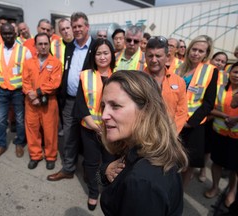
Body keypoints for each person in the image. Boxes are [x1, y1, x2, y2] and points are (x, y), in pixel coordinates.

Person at [99, 70, 188, 215]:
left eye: (115, 106)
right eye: (104, 106)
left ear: (146, 109)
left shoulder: (142, 182)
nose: (103, 116)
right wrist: (105, 171)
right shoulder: (143, 149)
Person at [47, 12, 96, 181]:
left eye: (79, 26)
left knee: (89, 139)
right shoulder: (69, 47)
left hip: (89, 103)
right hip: (69, 101)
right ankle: (68, 168)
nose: (76, 30)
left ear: (87, 27)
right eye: (73, 27)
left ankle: (90, 175)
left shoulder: (96, 47)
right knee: (69, 136)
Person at [73, 39, 116, 210]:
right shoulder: (85, 75)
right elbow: (80, 103)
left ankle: (106, 189)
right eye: (98, 53)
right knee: (91, 163)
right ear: (93, 55)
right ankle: (93, 192)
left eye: (106, 53)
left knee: (109, 163)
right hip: (90, 129)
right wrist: (93, 124)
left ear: (112, 54)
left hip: (112, 131)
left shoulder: (119, 76)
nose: (102, 57)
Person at [176, 35, 218, 188]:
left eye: (201, 51)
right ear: (188, 50)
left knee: (188, 163)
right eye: (194, 49)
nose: (196, 53)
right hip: (174, 121)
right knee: (172, 160)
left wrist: (190, 122)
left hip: (193, 125)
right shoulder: (179, 67)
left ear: (206, 54)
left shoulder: (211, 71)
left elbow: (208, 103)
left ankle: (180, 192)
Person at [0, 23, 32, 160]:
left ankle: (19, 143)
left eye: (10, 33)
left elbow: (30, 73)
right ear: (1, 34)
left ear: (15, 33)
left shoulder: (24, 51)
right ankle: (1, 145)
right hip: (2, 90)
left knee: (20, 119)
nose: (7, 36)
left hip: (19, 91)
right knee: (1, 119)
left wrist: (28, 91)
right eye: (5, 34)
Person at [23, 33, 62, 170]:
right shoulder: (28, 63)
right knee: (32, 130)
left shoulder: (55, 63)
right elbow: (25, 82)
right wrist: (31, 95)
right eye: (40, 44)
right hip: (31, 103)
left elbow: (55, 83)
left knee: (50, 131)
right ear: (35, 46)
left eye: (46, 43)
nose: (43, 46)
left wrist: (37, 93)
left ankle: (50, 156)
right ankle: (35, 156)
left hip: (49, 102)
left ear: (49, 44)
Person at [204, 62, 238, 208]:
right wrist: (225, 116)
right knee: (216, 162)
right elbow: (210, 108)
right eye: (235, 72)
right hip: (219, 132)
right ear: (229, 73)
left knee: (235, 167)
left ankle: (232, 191)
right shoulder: (220, 89)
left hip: (236, 137)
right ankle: (215, 186)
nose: (237, 76)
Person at [144, 36, 187, 133]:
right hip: (143, 135)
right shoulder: (137, 80)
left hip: (169, 135)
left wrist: (172, 133)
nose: (154, 60)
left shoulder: (178, 82)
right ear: (145, 56)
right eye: (150, 56)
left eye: (158, 56)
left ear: (167, 57)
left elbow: (182, 111)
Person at [198, 51, 229, 183]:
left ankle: (203, 168)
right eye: (217, 60)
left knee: (208, 147)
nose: (220, 63)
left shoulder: (227, 77)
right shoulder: (204, 73)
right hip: (201, 113)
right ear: (211, 59)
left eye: (223, 62)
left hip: (215, 117)